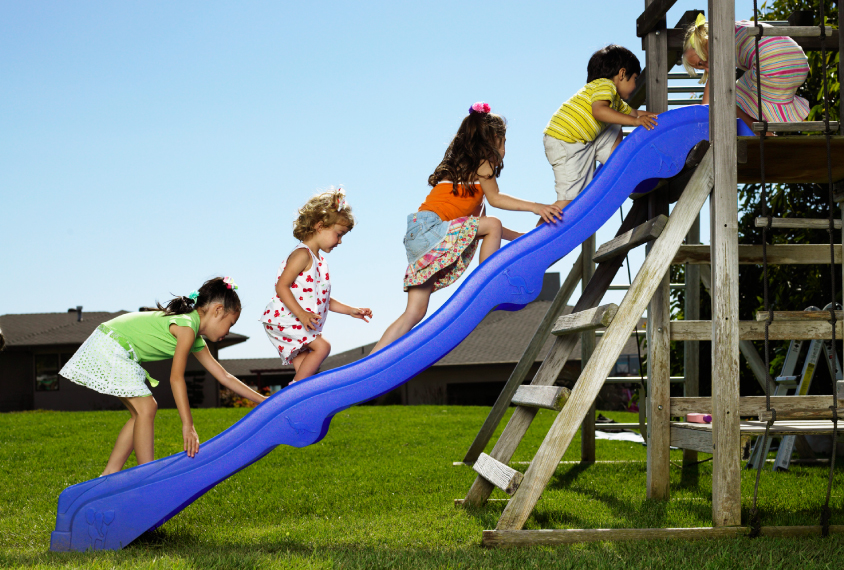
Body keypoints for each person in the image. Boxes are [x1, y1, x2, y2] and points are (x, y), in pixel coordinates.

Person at [370, 102, 563, 354]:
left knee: (414, 312)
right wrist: (537, 207)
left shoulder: (464, 173)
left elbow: (488, 227)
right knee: (491, 224)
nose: (504, 149)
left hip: (419, 234)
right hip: (432, 229)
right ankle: (487, 280)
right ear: (493, 141)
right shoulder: (484, 163)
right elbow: (496, 201)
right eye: (503, 141)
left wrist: (523, 238)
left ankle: (372, 360)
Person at [59, 277, 266, 475]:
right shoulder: (187, 326)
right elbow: (176, 378)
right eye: (230, 324)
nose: (228, 331)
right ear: (217, 310)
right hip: (112, 344)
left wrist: (264, 401)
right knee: (147, 407)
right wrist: (188, 425)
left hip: (112, 343)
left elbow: (224, 376)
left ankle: (110, 472)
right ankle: (147, 474)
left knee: (140, 412)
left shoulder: (193, 335)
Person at [261, 188, 372, 383]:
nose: (340, 241)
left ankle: (300, 392)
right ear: (320, 226)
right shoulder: (302, 255)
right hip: (287, 318)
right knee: (323, 347)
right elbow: (281, 287)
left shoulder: (320, 262)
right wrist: (302, 314)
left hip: (300, 320)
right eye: (339, 234)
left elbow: (323, 300)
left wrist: (350, 310)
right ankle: (293, 392)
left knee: (306, 368)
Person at [543, 45, 659, 210]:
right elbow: (599, 111)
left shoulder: (610, 97)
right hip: (566, 141)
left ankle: (617, 161)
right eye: (635, 78)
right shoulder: (605, 86)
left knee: (615, 121)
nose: (635, 85)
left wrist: (662, 118)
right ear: (622, 73)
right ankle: (536, 235)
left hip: (580, 140)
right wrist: (634, 122)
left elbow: (635, 113)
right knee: (569, 202)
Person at [682, 13, 810, 131]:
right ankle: (764, 129)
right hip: (799, 63)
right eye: (701, 68)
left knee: (729, 96)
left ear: (703, 42)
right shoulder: (735, 27)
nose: (706, 68)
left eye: (701, 62)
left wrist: (702, 109)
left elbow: (707, 106)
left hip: (773, 63)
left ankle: (761, 132)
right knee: (747, 93)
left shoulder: (717, 42)